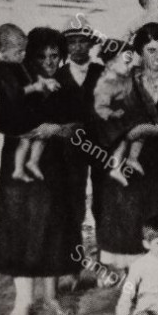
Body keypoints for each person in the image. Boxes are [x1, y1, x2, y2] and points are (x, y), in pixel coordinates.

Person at [0, 26, 81, 315]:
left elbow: (81, 123)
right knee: (19, 226)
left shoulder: (66, 82)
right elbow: (0, 120)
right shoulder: (18, 77)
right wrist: (32, 130)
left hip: (55, 164)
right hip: (17, 163)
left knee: (54, 227)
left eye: (55, 56)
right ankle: (23, 300)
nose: (49, 62)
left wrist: (58, 129)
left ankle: (51, 296)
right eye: (42, 56)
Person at [91, 23, 158, 271]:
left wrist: (142, 130)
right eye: (150, 50)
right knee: (123, 206)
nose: (157, 57)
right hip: (128, 156)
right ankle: (128, 274)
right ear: (140, 51)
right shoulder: (129, 78)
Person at [0, 23, 59, 183]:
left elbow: (34, 77)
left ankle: (26, 165)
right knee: (31, 136)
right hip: (13, 114)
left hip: (25, 111)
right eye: (18, 52)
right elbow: (14, 94)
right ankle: (25, 166)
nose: (23, 55)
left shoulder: (21, 62)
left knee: (32, 137)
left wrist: (44, 81)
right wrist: (35, 87)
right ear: (3, 50)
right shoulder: (3, 68)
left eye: (24, 50)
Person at [56, 21, 103, 247]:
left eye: (82, 41)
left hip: (100, 143)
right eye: (71, 42)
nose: (77, 47)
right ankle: (72, 255)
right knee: (72, 196)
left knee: (103, 196)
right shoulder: (57, 75)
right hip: (70, 146)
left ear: (91, 44)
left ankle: (105, 251)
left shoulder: (103, 72)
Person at [92, 46, 154, 185]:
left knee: (140, 129)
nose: (130, 65)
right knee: (123, 140)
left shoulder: (125, 77)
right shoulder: (105, 83)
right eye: (126, 62)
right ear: (110, 64)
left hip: (126, 117)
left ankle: (132, 158)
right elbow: (100, 107)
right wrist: (112, 114)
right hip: (113, 122)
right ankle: (117, 167)